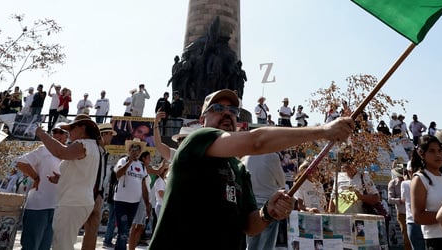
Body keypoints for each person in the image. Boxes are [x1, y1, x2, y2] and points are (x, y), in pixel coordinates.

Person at [149, 88, 354, 250]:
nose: (227, 113)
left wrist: (269, 212)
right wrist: (324, 131)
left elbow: (249, 225)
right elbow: (256, 142)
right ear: (203, 120)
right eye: (218, 108)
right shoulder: (195, 141)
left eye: (233, 111)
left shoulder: (238, 167)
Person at [34, 114, 101, 250]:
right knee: (64, 243)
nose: (68, 132)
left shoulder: (84, 144)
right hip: (78, 201)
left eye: (72, 128)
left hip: (72, 202)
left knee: (62, 245)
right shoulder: (92, 146)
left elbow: (60, 152)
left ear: (82, 128)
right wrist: (61, 179)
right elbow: (82, 174)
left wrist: (42, 134)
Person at [14, 126, 64, 250]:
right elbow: (21, 162)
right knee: (31, 245)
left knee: (45, 246)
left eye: (61, 132)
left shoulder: (67, 155)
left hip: (56, 206)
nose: (57, 134)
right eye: (55, 131)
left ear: (67, 136)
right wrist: (36, 177)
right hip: (38, 205)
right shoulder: (44, 150)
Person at [410, 134, 442, 250]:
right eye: (432, 151)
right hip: (437, 241)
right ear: (421, 153)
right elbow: (418, 217)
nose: (438, 155)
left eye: (440, 151)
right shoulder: (420, 179)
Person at [81, 122, 115, 250]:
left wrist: (99, 194)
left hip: (96, 195)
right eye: (110, 134)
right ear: (103, 134)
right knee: (70, 232)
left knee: (92, 232)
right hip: (87, 193)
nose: (112, 137)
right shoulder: (91, 149)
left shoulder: (103, 152)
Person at [244, 152, 287, 250]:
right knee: (267, 245)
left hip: (252, 204)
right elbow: (282, 181)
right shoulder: (272, 156)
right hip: (269, 205)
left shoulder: (247, 155)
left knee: (251, 244)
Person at [112, 141, 151, 250]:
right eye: (133, 148)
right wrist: (129, 162)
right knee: (123, 232)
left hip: (134, 203)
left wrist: (147, 204)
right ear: (129, 150)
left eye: (138, 149)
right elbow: (118, 174)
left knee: (125, 231)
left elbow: (144, 187)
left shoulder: (142, 166)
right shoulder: (123, 160)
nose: (136, 151)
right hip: (121, 201)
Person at [401, 164, 425, 250]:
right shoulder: (425, 182)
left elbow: (403, 199)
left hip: (411, 220)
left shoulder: (404, 184)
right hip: (425, 219)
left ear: (409, 172)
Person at [389, 164, 412, 250]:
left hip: (412, 211)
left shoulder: (410, 181)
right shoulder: (393, 183)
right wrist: (400, 200)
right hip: (402, 213)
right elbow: (390, 199)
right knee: (406, 236)